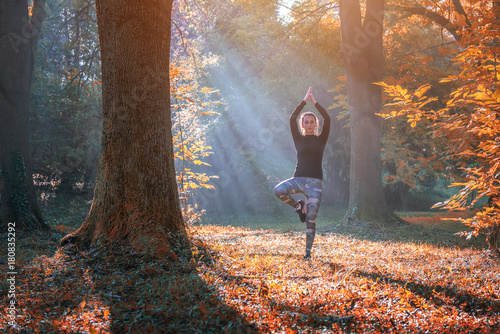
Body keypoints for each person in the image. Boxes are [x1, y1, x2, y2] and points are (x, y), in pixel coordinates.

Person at [274, 87, 330, 259]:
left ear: (315, 124)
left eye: (312, 122)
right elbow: (292, 117)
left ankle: (307, 253)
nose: (309, 124)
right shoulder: (298, 138)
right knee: (279, 190)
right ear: (302, 124)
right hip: (298, 180)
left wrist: (315, 103)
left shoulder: (321, 139)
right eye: (306, 122)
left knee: (311, 220)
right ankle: (298, 207)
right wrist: (304, 101)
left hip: (315, 185)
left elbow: (327, 118)